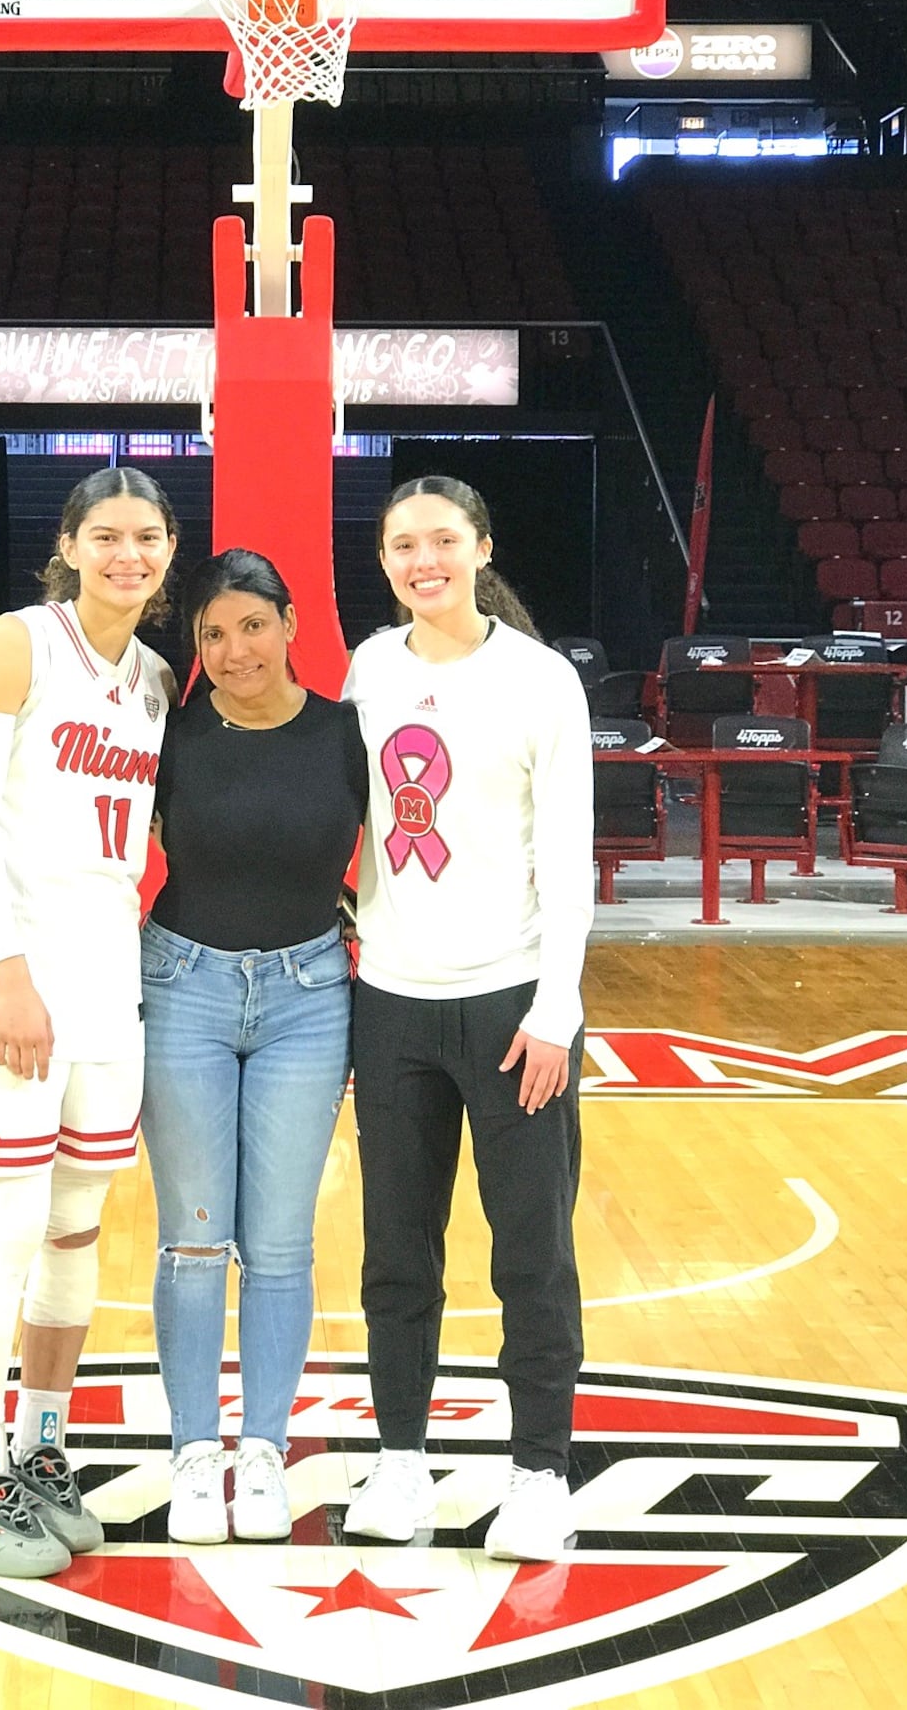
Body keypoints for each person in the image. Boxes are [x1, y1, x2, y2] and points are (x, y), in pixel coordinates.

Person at [0, 466, 178, 1579]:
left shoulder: (161, 679)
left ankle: (41, 1450)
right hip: (11, 973)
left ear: (170, 552)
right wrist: (9, 971)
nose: (129, 554)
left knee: (76, 1228)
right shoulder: (14, 641)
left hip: (108, 973)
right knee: (7, 1226)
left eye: (149, 537)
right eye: (108, 535)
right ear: (70, 544)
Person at [340, 474, 593, 1563]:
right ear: (385, 560)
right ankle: (401, 1460)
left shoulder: (540, 681)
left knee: (530, 1253)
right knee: (396, 1251)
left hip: (509, 1005)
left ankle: (538, 1471)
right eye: (404, 544)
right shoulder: (368, 665)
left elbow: (568, 855)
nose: (423, 559)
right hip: (390, 1000)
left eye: (443, 539)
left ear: (480, 547)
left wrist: (556, 1006)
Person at [140, 550, 366, 1545]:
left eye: (252, 626)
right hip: (181, 988)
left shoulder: (347, 735)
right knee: (193, 1240)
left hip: (308, 999)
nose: (235, 650)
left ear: (289, 625)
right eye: (213, 635)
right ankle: (195, 1454)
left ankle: (264, 1451)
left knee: (278, 1244)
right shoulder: (169, 737)